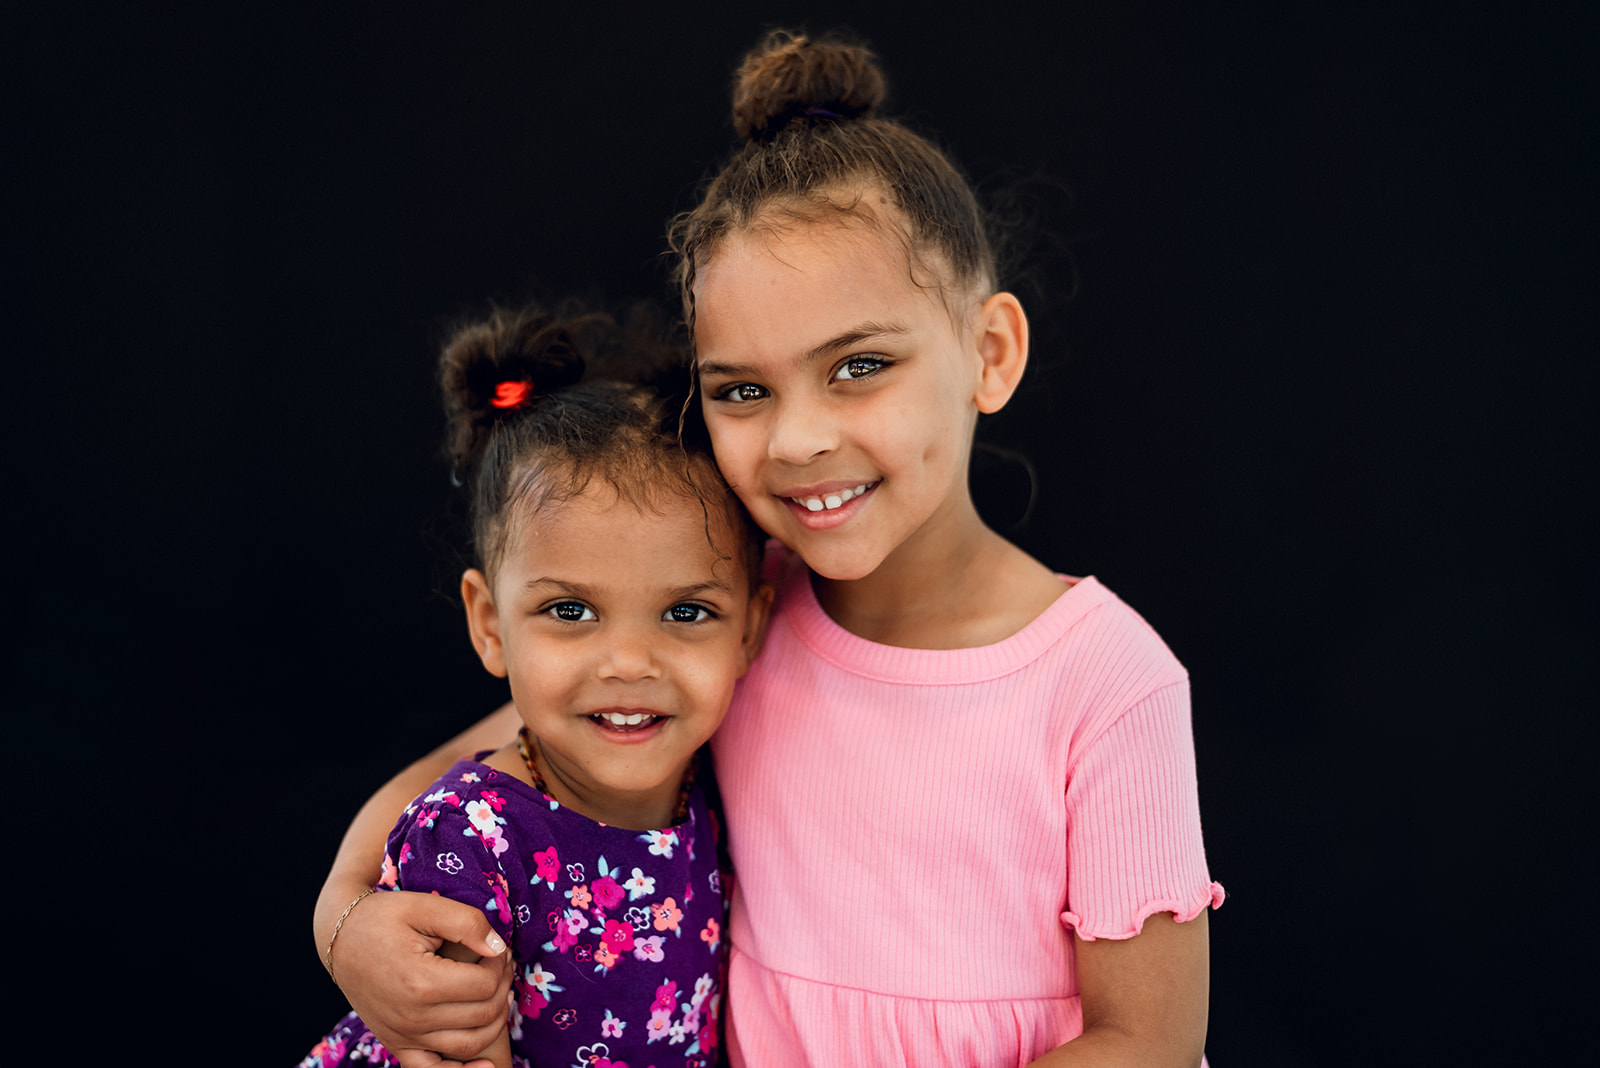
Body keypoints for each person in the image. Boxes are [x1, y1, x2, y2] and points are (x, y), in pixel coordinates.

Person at [316, 30, 1224, 1068]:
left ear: (989, 353)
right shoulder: (727, 619)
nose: (796, 439)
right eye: (742, 390)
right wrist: (342, 927)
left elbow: (1147, 1041)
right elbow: (460, 777)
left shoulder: (1104, 682)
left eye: (859, 366)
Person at [304, 306, 772, 1068]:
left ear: (750, 628)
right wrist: (340, 910)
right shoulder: (469, 842)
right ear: (490, 625)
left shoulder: (704, 774)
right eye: (570, 610)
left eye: (686, 611)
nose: (629, 662)